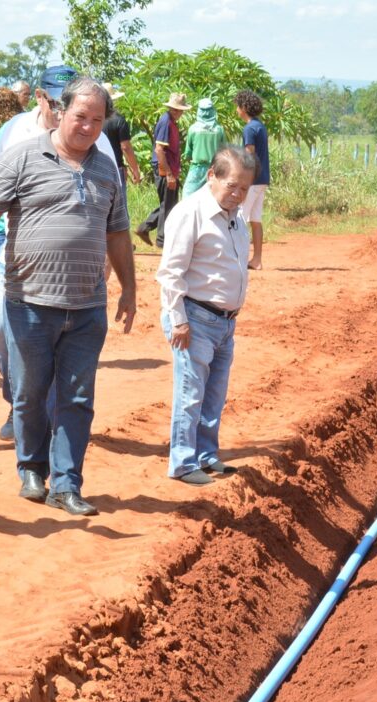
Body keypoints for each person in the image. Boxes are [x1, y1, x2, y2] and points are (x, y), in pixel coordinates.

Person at [0, 77, 136, 517]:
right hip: (30, 302)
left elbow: (118, 232)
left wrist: (129, 287)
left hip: (87, 305)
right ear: (61, 111)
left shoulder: (106, 169)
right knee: (30, 392)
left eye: (98, 120)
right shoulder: (22, 156)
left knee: (77, 398)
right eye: (81, 117)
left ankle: (67, 484)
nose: (89, 127)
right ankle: (31, 468)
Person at [0, 65, 120, 442]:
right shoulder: (16, 130)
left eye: (65, 103)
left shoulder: (96, 139)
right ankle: (22, 403)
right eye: (54, 102)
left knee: (64, 347)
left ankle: (50, 423)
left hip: (77, 271)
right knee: (0, 335)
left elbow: (111, 204)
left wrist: (105, 261)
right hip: (15, 253)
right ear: (41, 97)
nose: (61, 112)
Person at [157, 147, 256, 485]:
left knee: (214, 393)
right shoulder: (191, 213)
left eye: (244, 188)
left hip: (225, 322)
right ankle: (183, 463)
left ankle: (206, 454)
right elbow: (170, 272)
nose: (238, 194)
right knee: (191, 392)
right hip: (195, 318)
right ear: (212, 175)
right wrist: (179, 320)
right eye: (232, 186)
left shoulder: (234, 215)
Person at [135, 93, 189, 248]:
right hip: (165, 168)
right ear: (175, 110)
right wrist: (169, 174)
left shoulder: (169, 121)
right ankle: (161, 240)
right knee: (168, 204)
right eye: (180, 110)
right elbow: (159, 150)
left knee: (170, 204)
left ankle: (145, 228)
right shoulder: (166, 122)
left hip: (169, 167)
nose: (181, 113)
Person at [235, 89, 270, 270]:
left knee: (240, 217)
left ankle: (240, 258)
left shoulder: (249, 128)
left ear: (243, 108)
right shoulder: (260, 126)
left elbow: (249, 153)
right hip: (263, 178)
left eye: (237, 107)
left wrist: (243, 177)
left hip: (253, 180)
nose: (237, 110)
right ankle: (256, 259)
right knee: (256, 220)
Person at [182, 98, 225, 197]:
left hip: (197, 168)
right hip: (214, 168)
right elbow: (224, 151)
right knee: (212, 197)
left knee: (187, 196)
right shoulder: (219, 130)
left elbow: (188, 153)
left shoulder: (193, 129)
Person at [102, 82, 141, 189]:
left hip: (96, 166)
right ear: (114, 100)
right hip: (115, 169)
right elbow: (126, 147)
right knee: (118, 204)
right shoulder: (119, 120)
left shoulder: (94, 119)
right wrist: (135, 170)